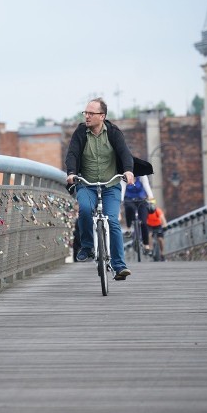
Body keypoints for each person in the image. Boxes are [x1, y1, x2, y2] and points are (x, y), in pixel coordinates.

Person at [65, 98, 136, 281]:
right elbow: (72, 154)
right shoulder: (81, 132)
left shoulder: (113, 133)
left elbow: (124, 153)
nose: (87, 116)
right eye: (85, 113)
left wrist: (128, 171)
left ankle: (119, 266)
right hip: (86, 185)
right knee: (86, 210)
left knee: (112, 221)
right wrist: (72, 172)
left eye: (91, 113)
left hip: (110, 186)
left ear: (102, 116)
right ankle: (87, 246)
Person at [122, 174, 155, 251]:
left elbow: (146, 186)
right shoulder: (124, 176)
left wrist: (151, 198)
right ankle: (128, 227)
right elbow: (122, 189)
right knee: (129, 207)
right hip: (129, 199)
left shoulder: (142, 176)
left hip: (141, 200)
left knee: (144, 222)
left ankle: (146, 244)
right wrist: (121, 199)